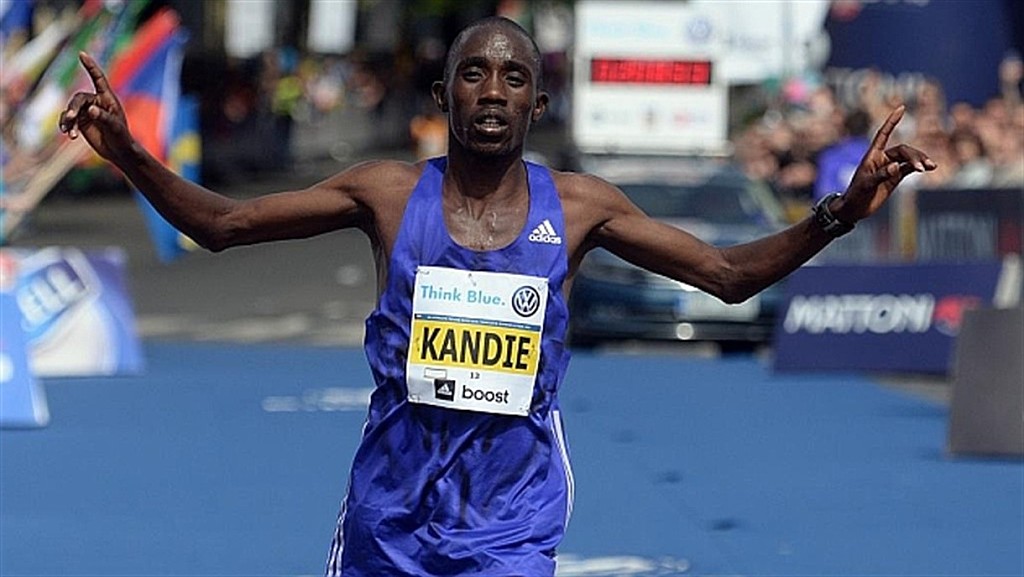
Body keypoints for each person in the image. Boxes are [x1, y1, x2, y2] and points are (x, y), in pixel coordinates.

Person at [59, 16, 935, 577]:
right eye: (474, 74)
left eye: (513, 78)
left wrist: (838, 213)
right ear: (445, 96)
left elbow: (727, 275)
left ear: (537, 103)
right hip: (387, 511)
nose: (492, 91)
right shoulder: (387, 194)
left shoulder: (581, 208)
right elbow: (223, 225)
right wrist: (127, 151)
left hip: (511, 515)